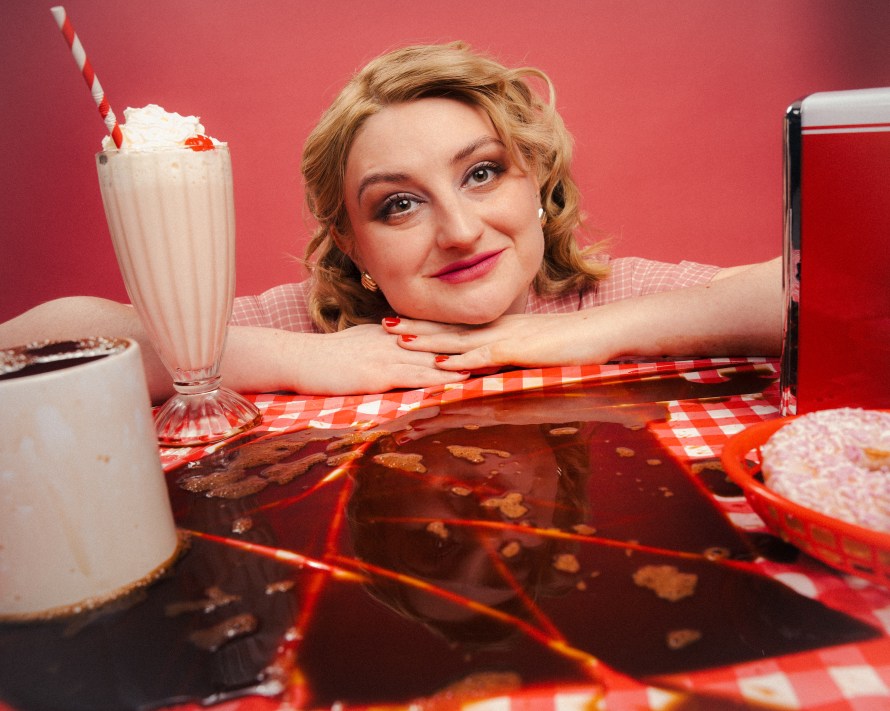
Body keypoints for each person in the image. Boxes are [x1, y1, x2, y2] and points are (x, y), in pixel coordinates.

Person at [0, 42, 781, 402]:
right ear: (352, 243)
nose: (462, 230)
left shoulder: (598, 298)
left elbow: (817, 294)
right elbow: (44, 338)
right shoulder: (313, 325)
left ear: (537, 179)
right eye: (398, 204)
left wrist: (573, 336)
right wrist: (305, 362)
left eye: (482, 172)